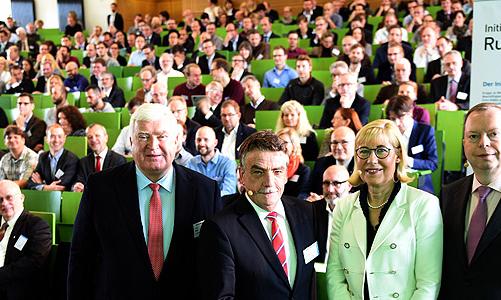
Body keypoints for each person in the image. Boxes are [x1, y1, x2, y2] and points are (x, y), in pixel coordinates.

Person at [68, 103, 222, 299]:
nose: (153, 145)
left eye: (161, 136)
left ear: (176, 141)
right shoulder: (100, 187)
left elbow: (216, 263)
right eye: (143, 136)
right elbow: (81, 257)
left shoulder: (206, 190)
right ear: (131, 141)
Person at [326, 119, 443, 299]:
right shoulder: (344, 206)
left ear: (398, 155)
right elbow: (335, 273)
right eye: (364, 152)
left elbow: (428, 284)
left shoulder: (424, 205)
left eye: (381, 151)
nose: (372, 160)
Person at [198, 130, 317, 299]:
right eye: (258, 172)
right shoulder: (220, 229)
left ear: (286, 174)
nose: (269, 182)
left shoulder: (307, 212)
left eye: (277, 171)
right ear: (241, 175)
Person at [440, 103, 501, 299]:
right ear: (463, 143)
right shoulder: (448, 195)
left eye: (493, 134)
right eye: (474, 136)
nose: (484, 143)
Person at [0, 180, 52, 300]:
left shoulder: (37, 226)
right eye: (0, 199)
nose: (4, 203)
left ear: (22, 198)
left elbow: (33, 263)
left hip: (14, 289)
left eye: (9, 198)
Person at [386, 95, 438, 194]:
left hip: (418, 183)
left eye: (400, 117)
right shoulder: (388, 132)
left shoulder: (425, 131)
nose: (396, 123)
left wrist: (408, 161)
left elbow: (433, 163)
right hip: (392, 181)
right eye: (392, 118)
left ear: (410, 113)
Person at [308, 165, 351, 264]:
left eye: (336, 183)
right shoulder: (312, 211)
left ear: (349, 186)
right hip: (320, 273)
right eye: (326, 183)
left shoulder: (361, 211)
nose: (330, 189)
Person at [72, 124, 126, 192]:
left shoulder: (118, 160)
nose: (93, 140)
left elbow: (118, 185)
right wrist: (77, 186)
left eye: (97, 136)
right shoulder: (83, 162)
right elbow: (79, 181)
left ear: (106, 138)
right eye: (90, 137)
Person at [27, 124, 79, 191]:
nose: (56, 140)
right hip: (46, 197)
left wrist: (42, 184)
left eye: (60, 136)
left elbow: (63, 185)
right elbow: (30, 182)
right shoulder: (43, 157)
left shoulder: (72, 159)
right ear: (46, 139)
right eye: (52, 136)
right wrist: (46, 187)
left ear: (65, 138)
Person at [187, 126, 237, 197]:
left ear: (215, 143)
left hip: (220, 206)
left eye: (206, 140)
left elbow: (229, 192)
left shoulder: (228, 163)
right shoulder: (191, 163)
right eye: (199, 140)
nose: (201, 143)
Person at [308, 126, 356, 197]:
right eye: (335, 142)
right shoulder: (321, 163)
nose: (338, 147)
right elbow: (307, 191)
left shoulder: (363, 167)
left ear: (355, 144)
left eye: (344, 142)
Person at [277, 128, 310, 198]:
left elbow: (301, 195)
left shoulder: (303, 170)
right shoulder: (271, 167)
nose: (281, 145)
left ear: (294, 145)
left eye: (285, 142)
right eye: (278, 142)